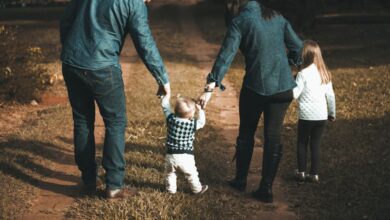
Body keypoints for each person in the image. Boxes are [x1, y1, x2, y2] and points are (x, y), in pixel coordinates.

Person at [60, 0, 170, 199]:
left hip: (71, 62)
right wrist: (162, 77)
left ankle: (88, 181)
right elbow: (144, 42)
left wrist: (69, 49)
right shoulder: (134, 3)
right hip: (102, 67)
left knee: (83, 120)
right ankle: (114, 185)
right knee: (116, 122)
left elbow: (66, 20)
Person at [198, 0, 303, 203]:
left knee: (246, 133)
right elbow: (298, 46)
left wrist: (208, 89)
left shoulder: (240, 20)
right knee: (273, 136)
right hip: (283, 89)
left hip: (255, 87)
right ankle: (266, 189)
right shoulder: (276, 16)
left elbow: (225, 57)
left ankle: (240, 180)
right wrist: (290, 64)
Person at [293, 40, 336, 183]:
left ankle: (301, 172)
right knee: (315, 144)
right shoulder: (325, 74)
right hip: (321, 116)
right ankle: (314, 174)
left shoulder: (302, 74)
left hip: (306, 116)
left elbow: (295, 94)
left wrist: (290, 84)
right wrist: (332, 113)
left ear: (304, 56)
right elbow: (330, 96)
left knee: (302, 142)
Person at [161, 96, 208, 194]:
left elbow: (165, 107)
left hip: (170, 155)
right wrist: (200, 111)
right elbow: (202, 122)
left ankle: (170, 190)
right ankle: (197, 189)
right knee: (191, 174)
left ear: (175, 110)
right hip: (186, 157)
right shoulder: (192, 124)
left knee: (170, 173)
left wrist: (165, 97)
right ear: (190, 116)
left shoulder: (171, 119)